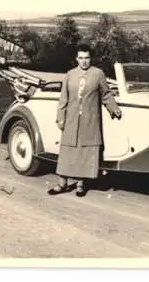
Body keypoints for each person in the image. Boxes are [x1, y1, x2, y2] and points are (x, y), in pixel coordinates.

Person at [48, 43, 122, 197]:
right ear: (76, 59)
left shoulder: (98, 74)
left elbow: (106, 94)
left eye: (87, 58)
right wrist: (60, 118)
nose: (84, 61)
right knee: (68, 151)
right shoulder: (69, 75)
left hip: (89, 121)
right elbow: (63, 99)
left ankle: (81, 184)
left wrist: (113, 108)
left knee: (84, 152)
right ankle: (62, 183)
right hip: (71, 120)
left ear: (91, 58)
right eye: (81, 58)